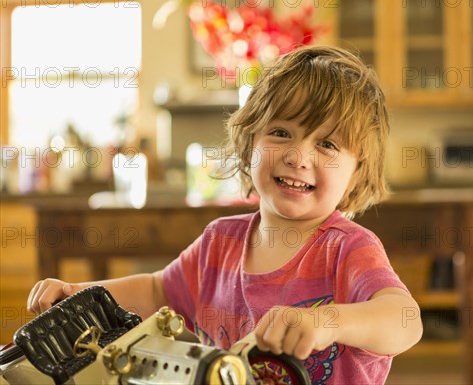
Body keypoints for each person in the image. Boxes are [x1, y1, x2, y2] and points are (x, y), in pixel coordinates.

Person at [27, 46, 423, 384]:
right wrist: (81, 294)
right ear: (250, 142)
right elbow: (156, 292)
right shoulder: (221, 240)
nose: (297, 156)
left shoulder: (348, 248)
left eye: (328, 144)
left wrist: (327, 323)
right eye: (281, 132)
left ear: (357, 172)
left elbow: (404, 320)